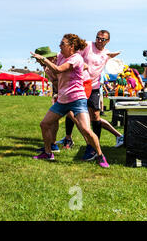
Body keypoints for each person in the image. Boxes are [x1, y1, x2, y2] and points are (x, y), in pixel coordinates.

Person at [31, 34, 109, 168]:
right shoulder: (61, 56)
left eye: (62, 44)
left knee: (86, 129)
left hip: (77, 99)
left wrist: (43, 59)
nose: (59, 46)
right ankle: (48, 153)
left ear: (71, 46)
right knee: (44, 124)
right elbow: (56, 71)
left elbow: (58, 69)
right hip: (62, 100)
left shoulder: (76, 58)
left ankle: (100, 156)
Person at [59, 30, 124, 156]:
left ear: (108, 41)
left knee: (95, 116)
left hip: (94, 87)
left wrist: (114, 59)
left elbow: (111, 63)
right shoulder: (88, 45)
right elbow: (74, 56)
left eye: (102, 39)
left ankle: (94, 145)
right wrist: (81, 65)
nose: (99, 41)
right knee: (71, 112)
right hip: (79, 84)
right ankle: (68, 138)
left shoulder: (106, 53)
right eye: (98, 38)